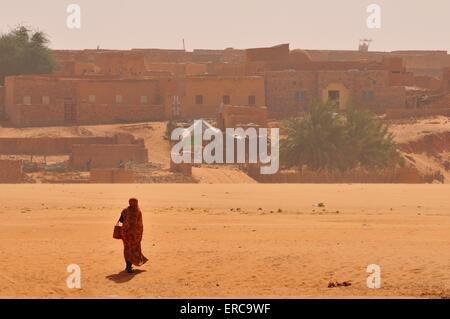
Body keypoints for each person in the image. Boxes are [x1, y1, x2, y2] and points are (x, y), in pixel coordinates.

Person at [118, 198, 148, 273]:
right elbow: (140, 224)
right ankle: (129, 266)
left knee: (127, 249)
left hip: (125, 234)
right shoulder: (138, 211)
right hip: (134, 235)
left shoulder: (125, 211)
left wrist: (122, 231)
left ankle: (128, 266)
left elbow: (121, 221)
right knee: (134, 249)